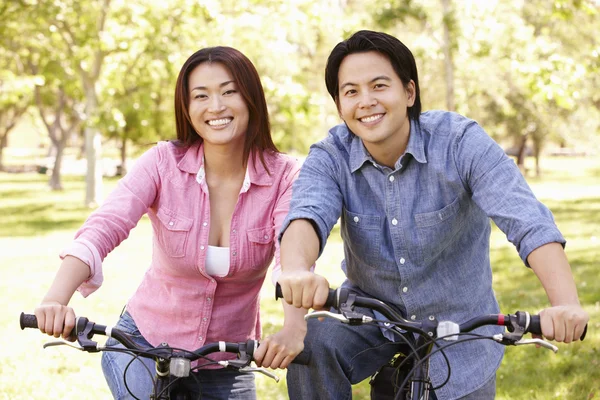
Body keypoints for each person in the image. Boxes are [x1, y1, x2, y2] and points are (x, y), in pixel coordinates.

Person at [275, 30, 589, 399]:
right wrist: (296, 269)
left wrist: (565, 303)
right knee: (314, 345)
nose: (366, 101)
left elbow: (526, 220)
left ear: (409, 92)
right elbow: (307, 214)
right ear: (340, 104)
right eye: (351, 92)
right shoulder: (330, 156)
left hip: (462, 327)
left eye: (379, 85)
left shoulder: (459, 142)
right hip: (372, 317)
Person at [34, 46, 305, 400]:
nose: (216, 106)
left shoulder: (285, 176)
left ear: (251, 97)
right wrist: (56, 298)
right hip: (144, 346)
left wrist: (294, 327)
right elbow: (104, 226)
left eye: (229, 91)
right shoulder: (163, 162)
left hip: (226, 361)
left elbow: (294, 258)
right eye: (201, 96)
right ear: (187, 108)